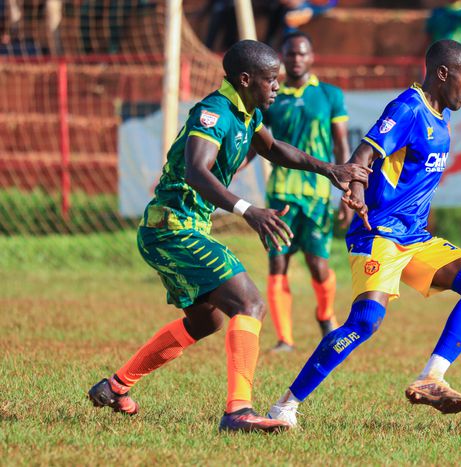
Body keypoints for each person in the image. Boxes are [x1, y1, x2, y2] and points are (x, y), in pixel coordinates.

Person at [86, 40, 370, 434]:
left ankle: (116, 386)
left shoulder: (247, 113)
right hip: (171, 228)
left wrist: (328, 169)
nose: (277, 86)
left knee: (206, 321)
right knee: (249, 303)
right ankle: (238, 411)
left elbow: (274, 149)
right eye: (270, 79)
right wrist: (248, 210)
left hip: (181, 228)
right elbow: (196, 171)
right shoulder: (214, 112)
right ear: (246, 80)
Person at [266, 40, 461, 428]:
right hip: (378, 234)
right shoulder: (408, 108)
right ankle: (285, 407)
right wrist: (356, 194)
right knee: (365, 321)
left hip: (414, 237)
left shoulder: (440, 115)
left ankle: (432, 377)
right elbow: (361, 157)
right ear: (443, 74)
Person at [258, 31, 351, 352]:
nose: (296, 59)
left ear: (311, 57)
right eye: (291, 53)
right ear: (283, 58)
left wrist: (347, 191)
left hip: (317, 195)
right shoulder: (273, 96)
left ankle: (325, 316)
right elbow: (258, 143)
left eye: (302, 53)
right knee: (277, 263)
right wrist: (227, 170)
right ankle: (284, 338)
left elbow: (341, 144)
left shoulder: (329, 95)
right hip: (281, 192)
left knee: (318, 264)